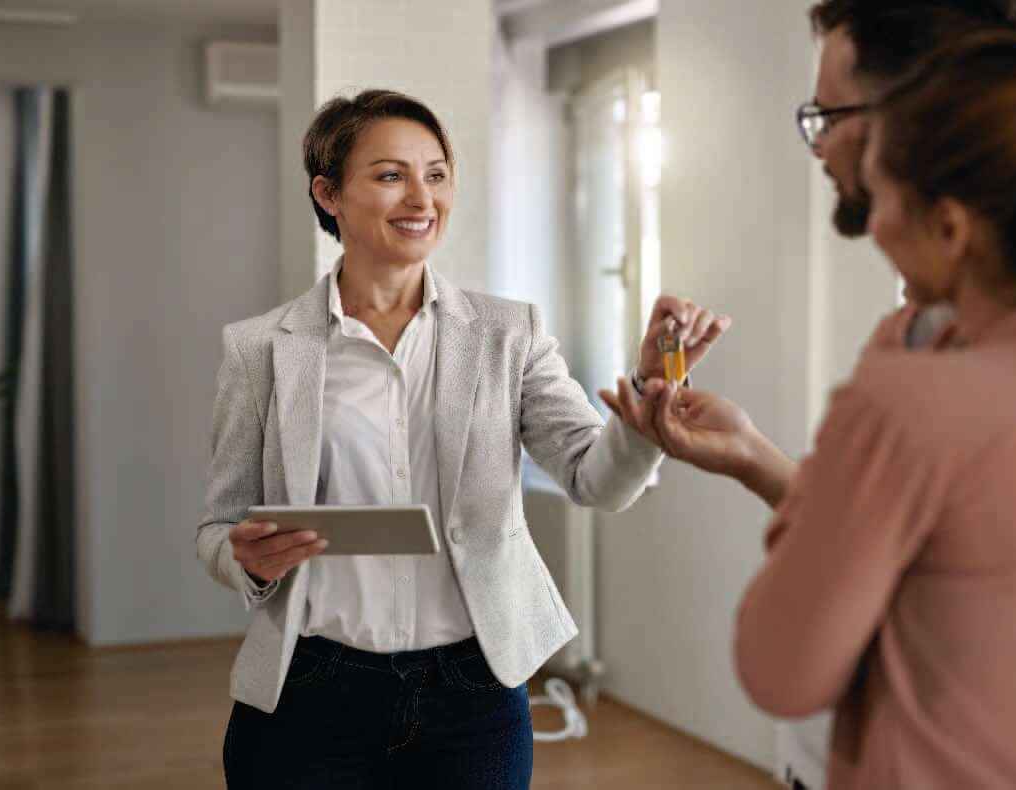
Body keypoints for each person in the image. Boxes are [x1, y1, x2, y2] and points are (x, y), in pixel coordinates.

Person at [617, 33, 1016, 788]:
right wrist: (754, 456)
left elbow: (778, 670)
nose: (869, 221)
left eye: (881, 182)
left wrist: (872, 399)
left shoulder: (909, 394)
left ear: (951, 225)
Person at [195, 89, 729, 789]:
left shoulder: (511, 334)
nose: (423, 197)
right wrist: (245, 558)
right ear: (328, 194)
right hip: (311, 687)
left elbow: (596, 481)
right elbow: (219, 526)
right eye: (391, 175)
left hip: (472, 694)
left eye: (437, 173)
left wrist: (647, 407)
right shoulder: (261, 349)